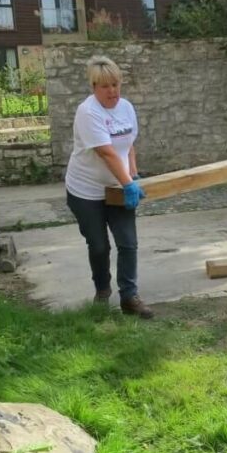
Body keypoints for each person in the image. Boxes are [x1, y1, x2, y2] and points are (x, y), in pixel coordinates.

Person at [64, 55, 153, 318]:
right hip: (85, 190)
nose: (112, 91)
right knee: (100, 245)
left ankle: (129, 297)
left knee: (128, 242)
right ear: (94, 87)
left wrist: (133, 176)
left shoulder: (125, 107)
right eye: (105, 86)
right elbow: (107, 153)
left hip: (117, 187)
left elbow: (128, 146)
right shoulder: (88, 111)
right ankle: (102, 291)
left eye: (115, 84)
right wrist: (129, 184)